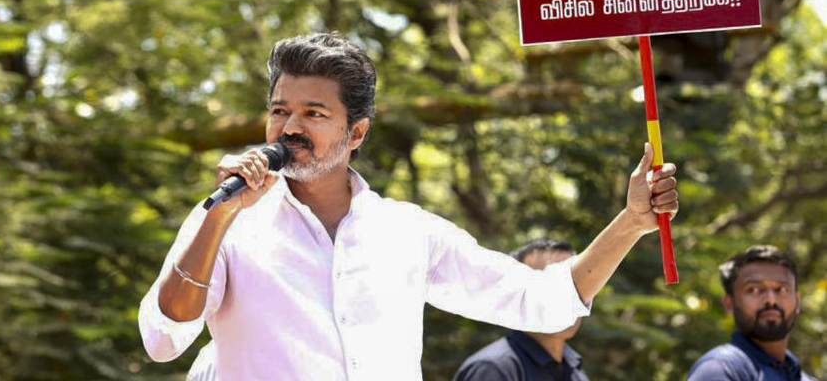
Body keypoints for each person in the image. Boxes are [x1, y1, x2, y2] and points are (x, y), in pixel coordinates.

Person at [138, 32, 679, 380]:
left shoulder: (405, 231)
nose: (291, 127)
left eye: (314, 113)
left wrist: (632, 222)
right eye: (280, 111)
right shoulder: (227, 214)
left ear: (358, 132)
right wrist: (220, 217)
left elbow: (546, 302)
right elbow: (164, 338)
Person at [453, 238, 591, 381]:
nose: (565, 297)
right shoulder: (493, 369)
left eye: (572, 285)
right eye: (544, 285)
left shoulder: (575, 371)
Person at [687, 245, 817, 381]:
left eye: (782, 289)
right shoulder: (719, 369)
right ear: (729, 303)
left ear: (797, 301)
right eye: (754, 290)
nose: (771, 300)